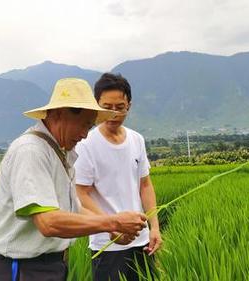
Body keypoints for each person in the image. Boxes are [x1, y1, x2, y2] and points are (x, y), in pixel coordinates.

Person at [0, 78, 148, 281]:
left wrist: (113, 228)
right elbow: (48, 223)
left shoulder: (61, 152)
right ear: (59, 114)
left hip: (48, 265)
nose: (85, 135)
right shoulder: (32, 151)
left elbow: (74, 208)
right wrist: (112, 222)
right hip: (21, 269)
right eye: (84, 125)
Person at [75, 73, 162, 281]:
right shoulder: (86, 144)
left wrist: (155, 227)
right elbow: (81, 194)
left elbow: (145, 185)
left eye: (119, 107)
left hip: (141, 241)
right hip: (107, 244)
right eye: (107, 107)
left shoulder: (136, 140)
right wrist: (112, 225)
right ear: (97, 105)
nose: (113, 113)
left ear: (128, 106)